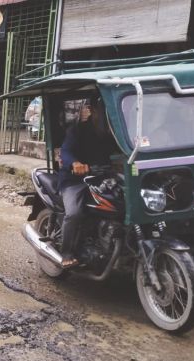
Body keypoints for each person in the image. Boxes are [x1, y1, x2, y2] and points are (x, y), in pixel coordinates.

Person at [58, 98, 114, 268]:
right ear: (93, 111)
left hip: (103, 179)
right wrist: (75, 163)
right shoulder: (77, 130)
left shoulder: (114, 133)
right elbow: (65, 151)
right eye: (102, 110)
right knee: (74, 213)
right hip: (75, 181)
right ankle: (66, 252)